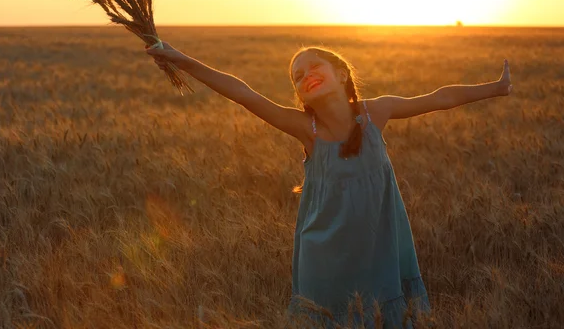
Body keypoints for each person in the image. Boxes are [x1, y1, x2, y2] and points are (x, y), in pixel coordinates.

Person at [146, 42, 513, 328]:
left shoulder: (375, 113)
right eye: (297, 76)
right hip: (324, 261)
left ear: (340, 73)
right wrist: (180, 59)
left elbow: (441, 98)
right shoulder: (308, 130)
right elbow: (242, 93)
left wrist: (496, 88)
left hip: (379, 250)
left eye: (313, 67)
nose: (305, 76)